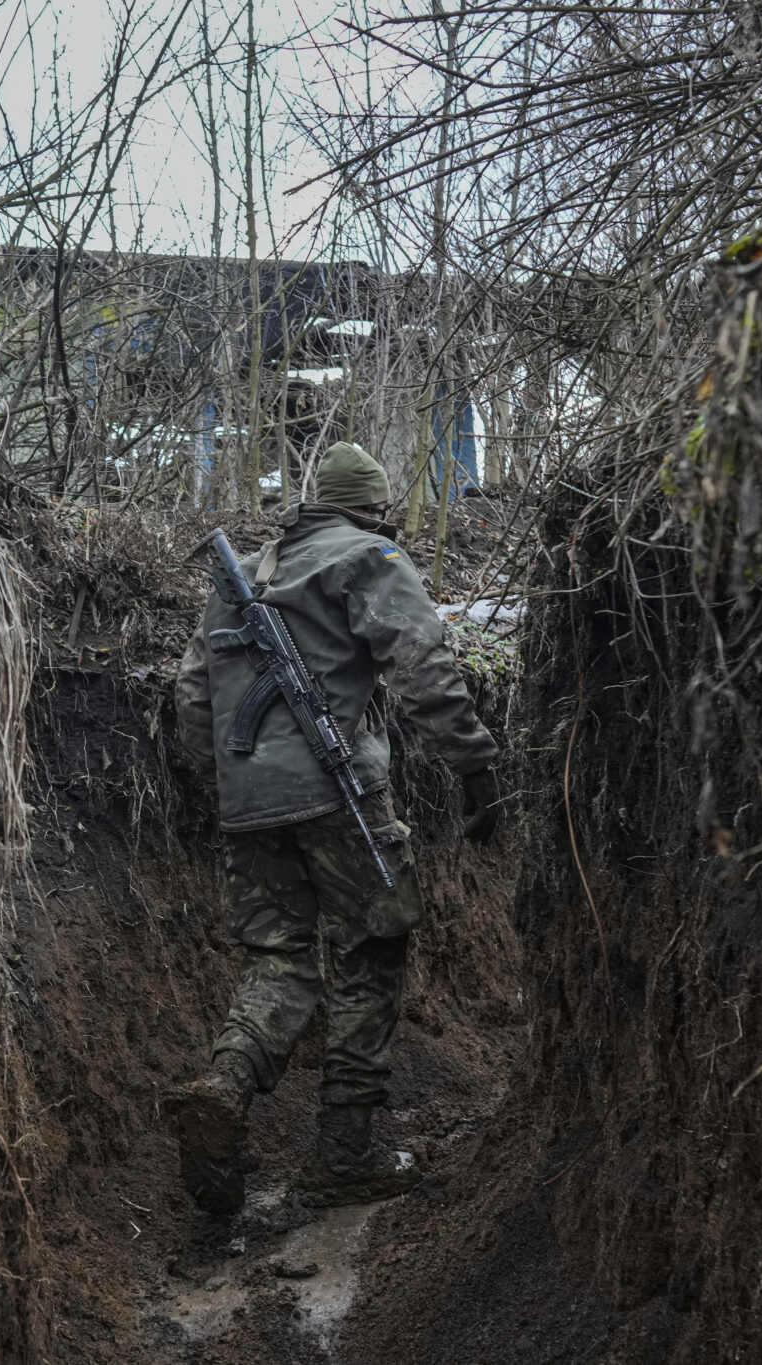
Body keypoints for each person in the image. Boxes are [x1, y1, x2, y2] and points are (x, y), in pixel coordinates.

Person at [167, 440, 501, 1214]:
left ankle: (225, 1083)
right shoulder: (370, 555)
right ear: (376, 507)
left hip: (246, 804)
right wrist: (474, 762)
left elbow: (192, 693)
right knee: (370, 948)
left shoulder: (247, 571)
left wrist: (231, 786)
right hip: (338, 791)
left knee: (278, 963)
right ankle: (345, 1152)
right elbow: (421, 662)